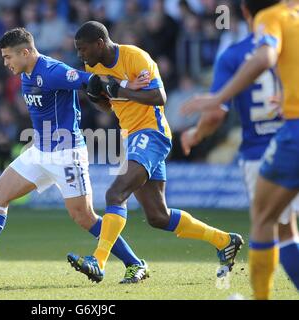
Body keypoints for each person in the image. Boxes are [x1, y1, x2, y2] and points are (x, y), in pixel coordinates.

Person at [0, 27, 151, 284]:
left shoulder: (52, 71)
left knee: (83, 216)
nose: (6, 63)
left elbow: (90, 81)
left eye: (8, 57)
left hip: (67, 155)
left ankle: (134, 263)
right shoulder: (26, 72)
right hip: (40, 151)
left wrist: (127, 86)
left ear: (25, 52)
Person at [67, 21, 243, 283]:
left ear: (99, 44)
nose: (80, 55)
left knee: (115, 193)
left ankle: (99, 261)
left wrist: (119, 88)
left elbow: (159, 97)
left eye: (83, 49)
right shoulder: (94, 66)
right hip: (133, 137)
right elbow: (111, 107)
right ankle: (224, 240)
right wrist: (97, 98)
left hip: (151, 133)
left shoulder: (135, 57)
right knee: (158, 216)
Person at [181, 0, 299, 300]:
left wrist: (199, 125)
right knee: (287, 229)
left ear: (246, 12)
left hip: (268, 148)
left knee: (268, 224)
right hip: (286, 133)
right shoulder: (294, 20)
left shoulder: (242, 46)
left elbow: (218, 112)